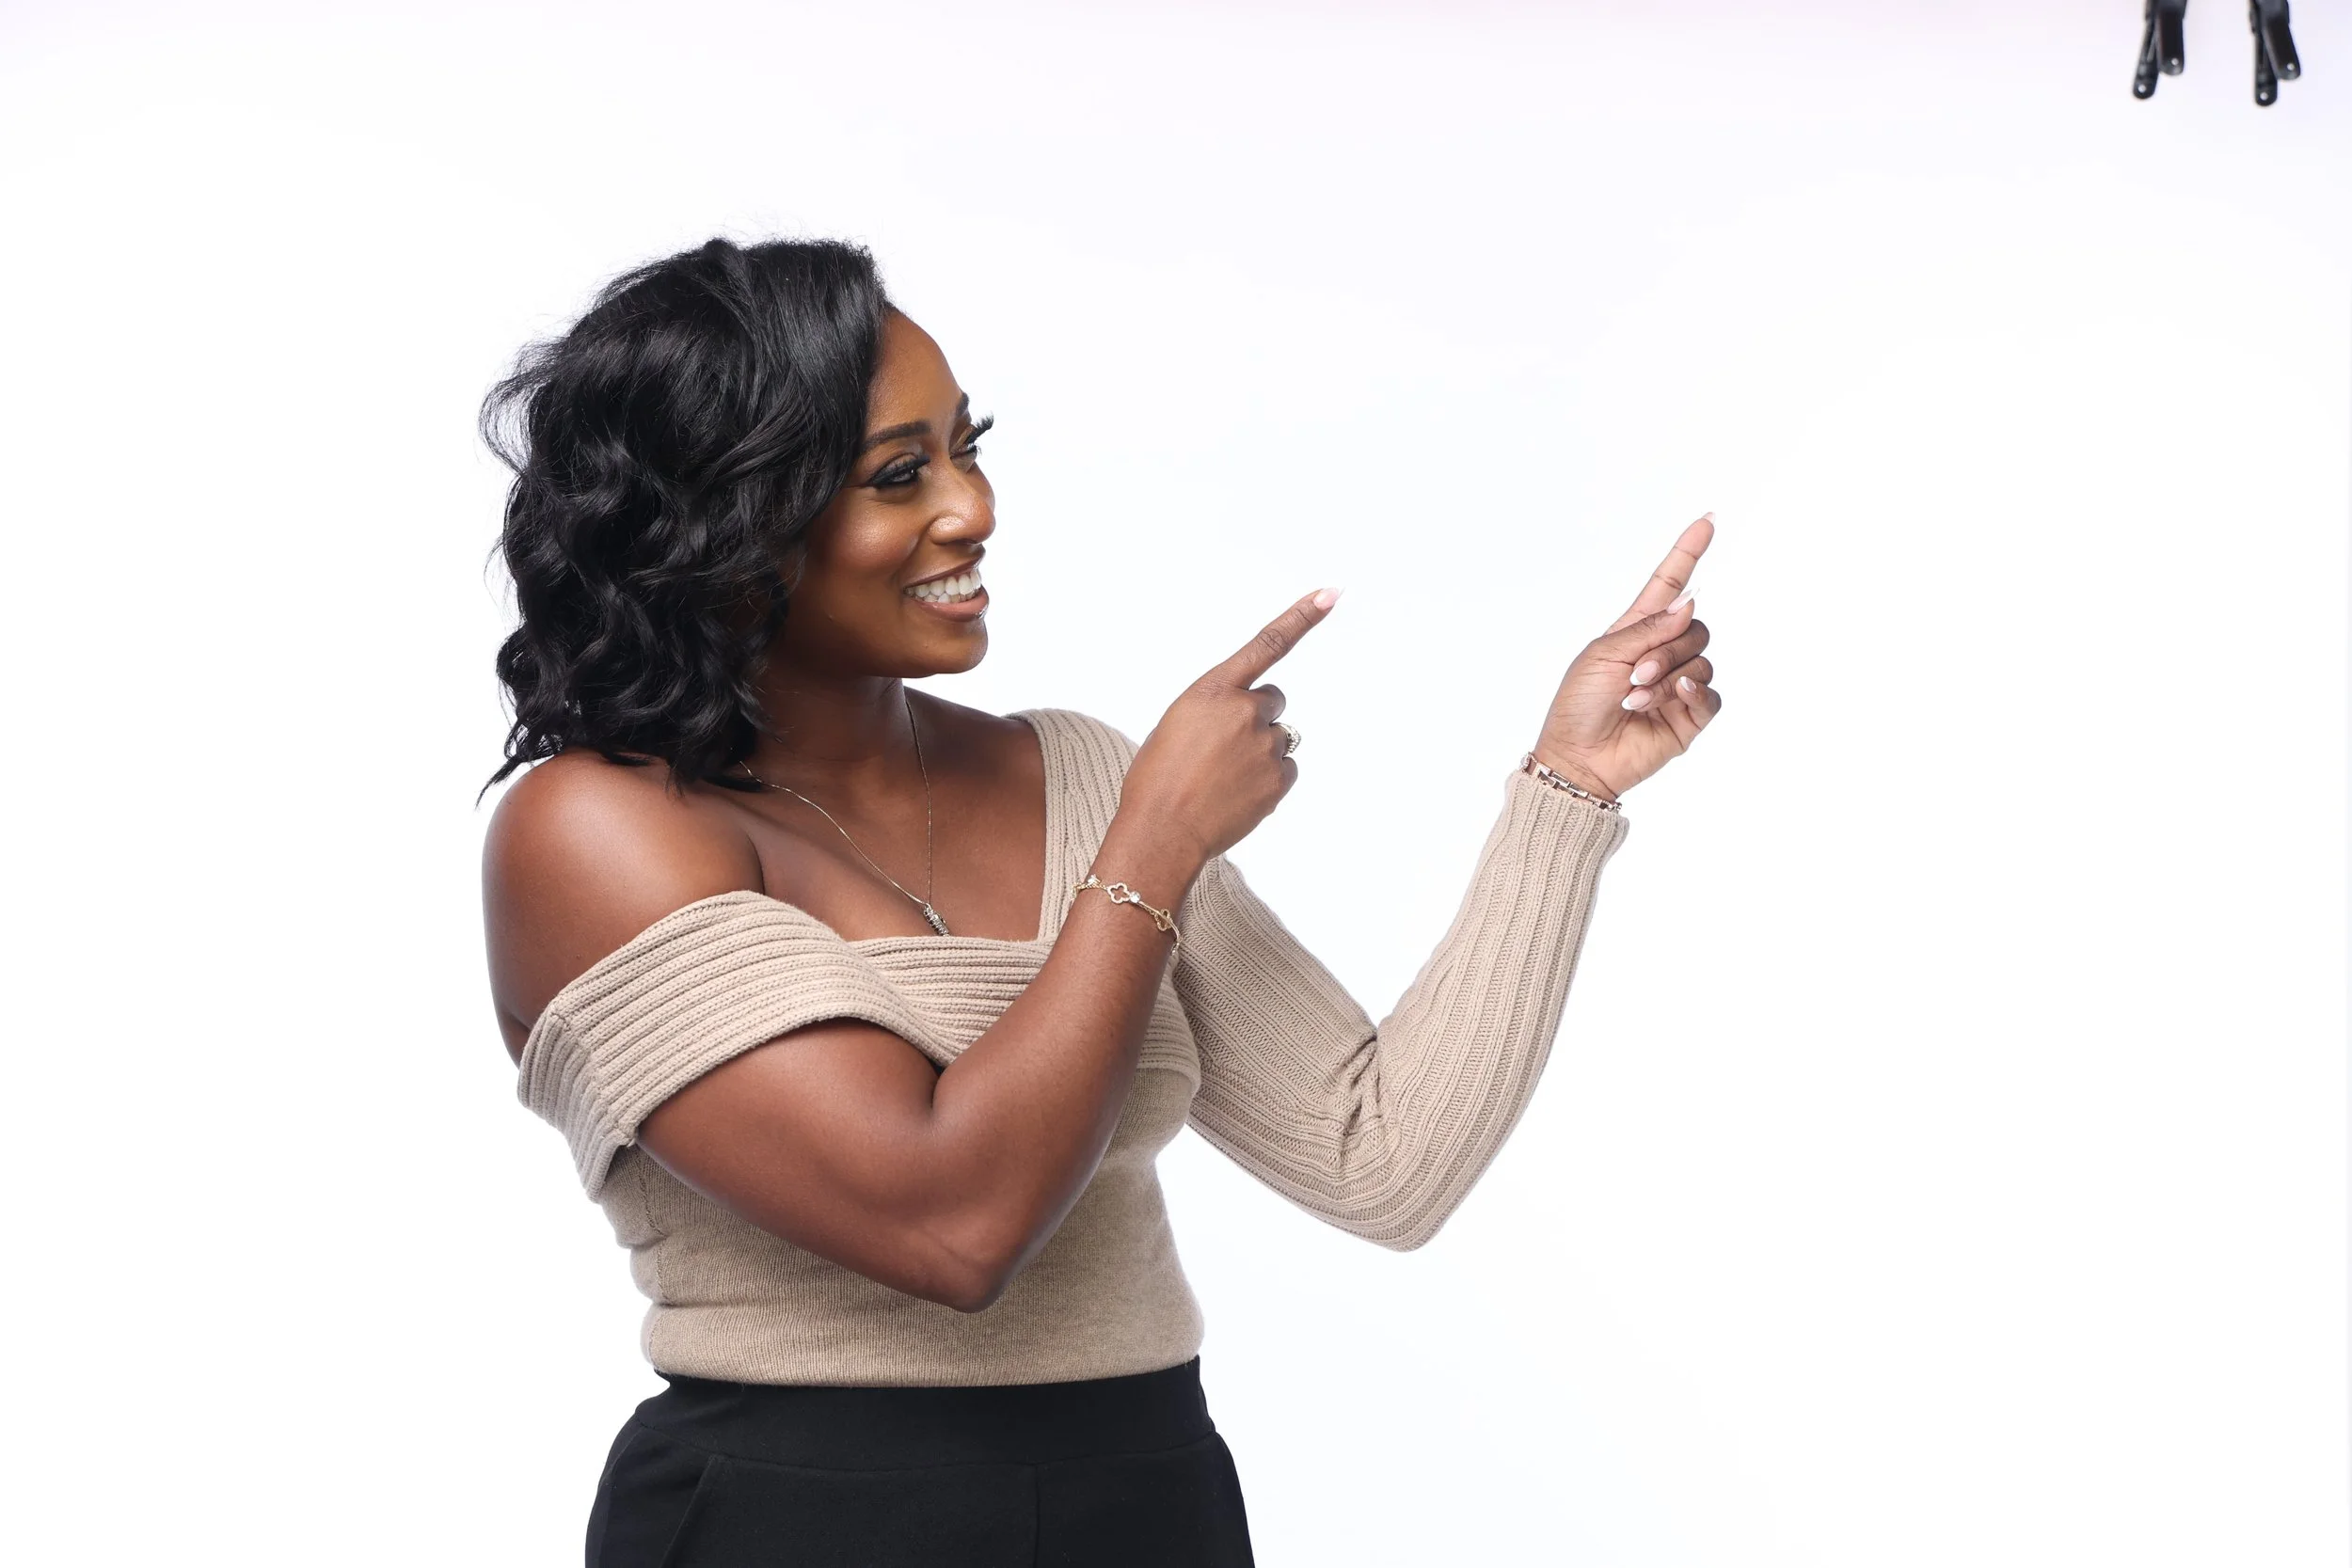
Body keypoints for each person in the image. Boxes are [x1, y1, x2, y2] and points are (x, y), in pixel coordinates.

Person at [478, 236, 1723, 1568]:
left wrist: (1567, 790)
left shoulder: (1074, 774)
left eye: (969, 445)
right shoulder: (597, 829)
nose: (974, 507)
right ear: (725, 528)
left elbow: (1382, 1161)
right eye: (901, 474)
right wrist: (1151, 850)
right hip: (803, 1515)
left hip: (1149, 1502)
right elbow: (950, 1223)